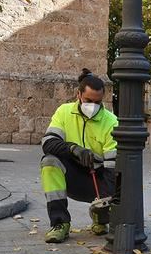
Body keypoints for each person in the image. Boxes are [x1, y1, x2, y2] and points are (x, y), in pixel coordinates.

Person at [40, 69, 118, 243]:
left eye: (97, 102)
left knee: (106, 203)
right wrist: (74, 149)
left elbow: (112, 166)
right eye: (89, 100)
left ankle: (100, 216)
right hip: (72, 178)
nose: (93, 106)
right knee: (49, 162)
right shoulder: (64, 112)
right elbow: (48, 143)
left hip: (98, 181)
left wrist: (105, 201)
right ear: (78, 95)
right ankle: (60, 223)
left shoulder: (111, 121)